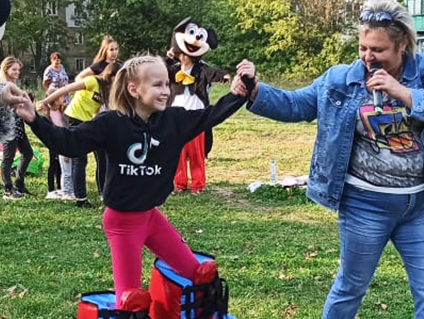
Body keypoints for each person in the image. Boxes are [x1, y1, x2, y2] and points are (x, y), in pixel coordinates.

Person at [242, 0, 424, 319]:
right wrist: (254, 91)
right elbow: (298, 105)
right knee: (352, 284)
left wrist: (404, 93)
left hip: (419, 205)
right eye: (364, 48)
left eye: (379, 50)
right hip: (364, 204)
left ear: (402, 45)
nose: (369, 58)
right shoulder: (342, 79)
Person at [15, 54, 253, 305]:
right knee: (129, 302)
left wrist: (240, 90)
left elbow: (212, 115)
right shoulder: (110, 124)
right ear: (134, 89)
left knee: (200, 275)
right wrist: (33, 118)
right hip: (122, 224)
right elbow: (68, 143)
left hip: (151, 218)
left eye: (167, 84)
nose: (165, 91)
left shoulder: (174, 121)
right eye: (157, 85)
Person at [39, 59, 121, 208]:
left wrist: (96, 121)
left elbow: (97, 108)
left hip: (87, 121)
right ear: (110, 74)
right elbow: (65, 89)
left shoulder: (107, 90)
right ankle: (81, 199)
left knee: (102, 156)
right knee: (80, 159)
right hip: (74, 118)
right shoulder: (93, 81)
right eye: (117, 78)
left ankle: (104, 193)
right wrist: (46, 101)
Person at [0, 56, 35, 200]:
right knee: (8, 157)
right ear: (6, 69)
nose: (17, 72)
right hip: (7, 125)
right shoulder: (1, 85)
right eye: (14, 69)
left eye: (18, 69)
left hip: (18, 124)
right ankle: (8, 189)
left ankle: (19, 184)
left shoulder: (13, 83)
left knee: (28, 153)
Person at [41, 52, 70, 199]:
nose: (63, 98)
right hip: (53, 142)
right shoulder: (50, 115)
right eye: (60, 97)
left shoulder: (61, 111)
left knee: (59, 165)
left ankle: (59, 187)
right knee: (53, 164)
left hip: (60, 141)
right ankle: (51, 189)